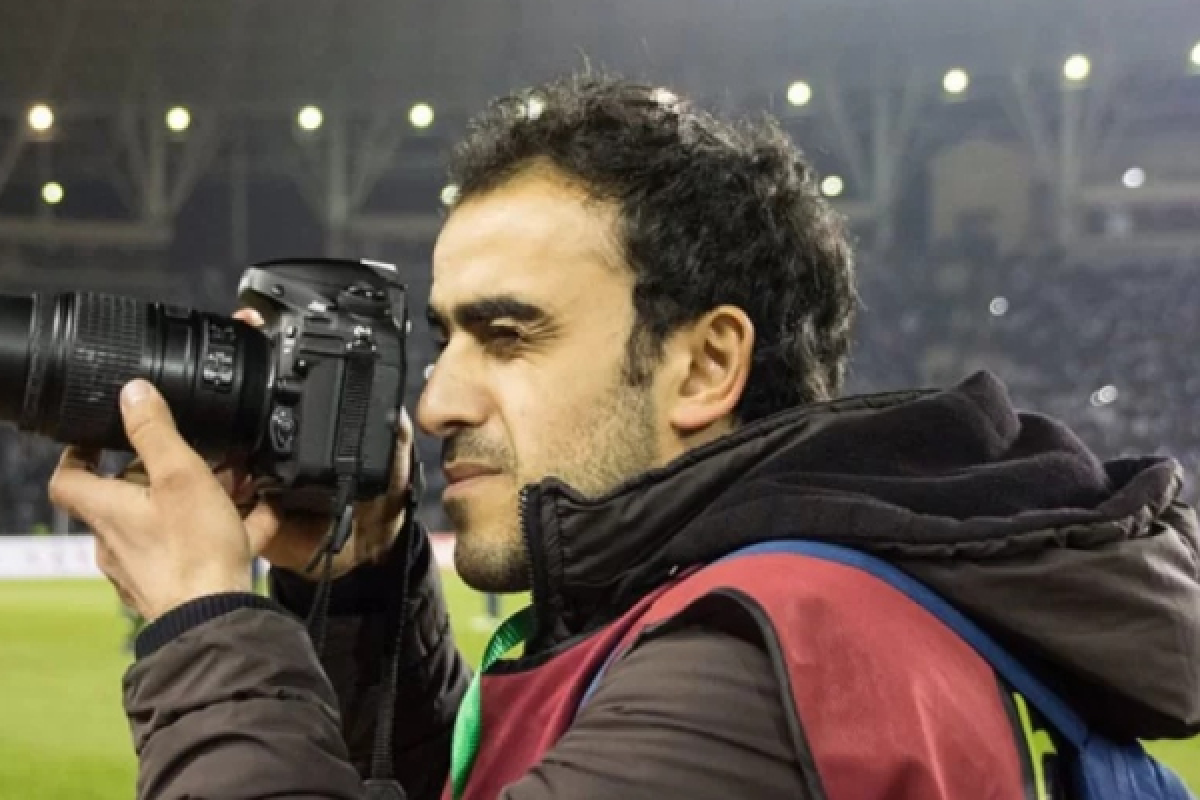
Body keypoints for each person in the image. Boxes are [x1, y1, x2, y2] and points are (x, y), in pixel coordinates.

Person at [47, 74, 1200, 800]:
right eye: (444, 337)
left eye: (507, 334)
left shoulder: (775, 653)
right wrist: (357, 585)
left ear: (704, 365)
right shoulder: (710, 606)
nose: (436, 402)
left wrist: (204, 622)